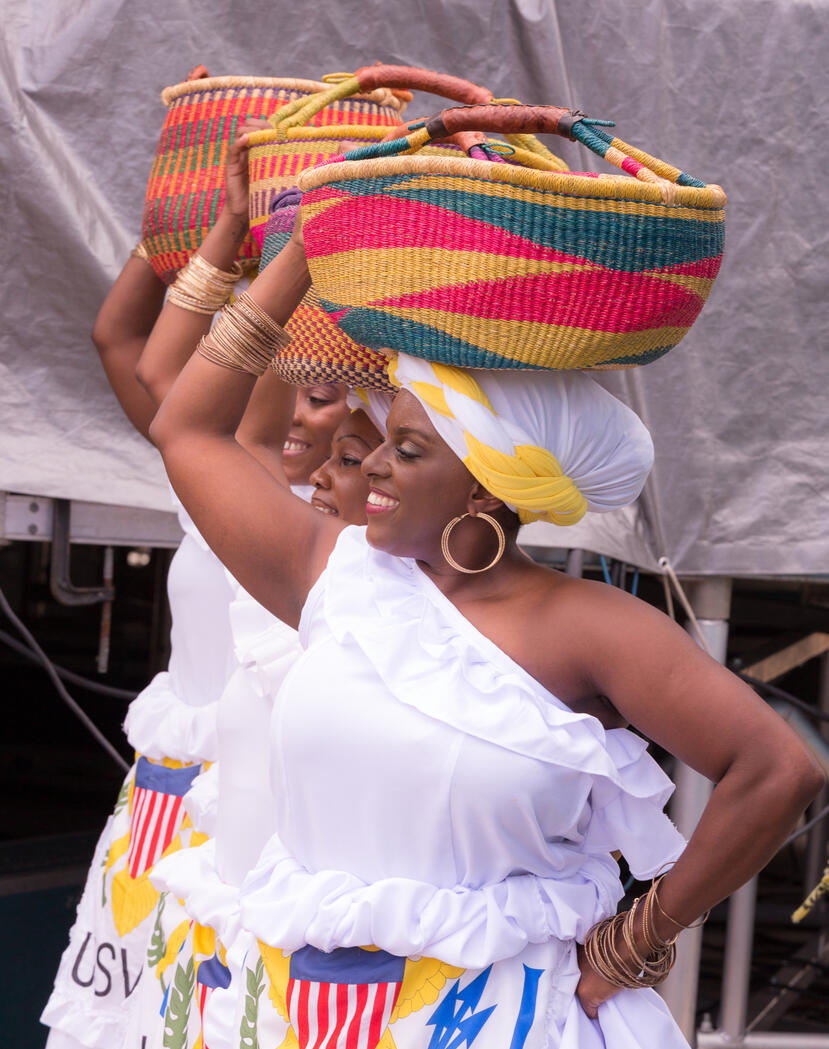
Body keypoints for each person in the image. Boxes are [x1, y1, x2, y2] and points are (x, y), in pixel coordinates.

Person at [145, 129, 823, 1049]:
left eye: (409, 448)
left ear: (485, 489)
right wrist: (304, 246)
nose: (372, 462)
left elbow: (779, 768)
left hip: (502, 1020)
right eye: (388, 437)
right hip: (296, 1015)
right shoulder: (333, 572)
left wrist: (634, 941)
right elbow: (187, 428)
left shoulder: (586, 626)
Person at [41, 164, 348, 1049]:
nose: (291, 412)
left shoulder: (345, 548)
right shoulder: (214, 483)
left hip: (267, 832)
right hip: (164, 808)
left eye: (320, 396)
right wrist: (210, 221)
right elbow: (125, 344)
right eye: (280, 384)